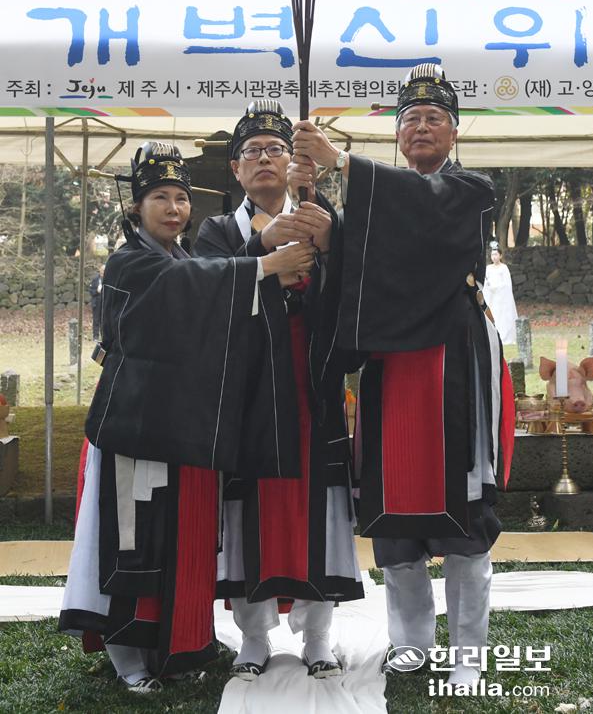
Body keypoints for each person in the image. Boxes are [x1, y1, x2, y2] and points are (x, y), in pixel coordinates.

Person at [289, 64, 515, 690]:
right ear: (397, 134)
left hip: (454, 361)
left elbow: (425, 213)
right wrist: (328, 230)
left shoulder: (471, 190)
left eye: (434, 118)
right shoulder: (373, 203)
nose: (420, 127)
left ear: (454, 132)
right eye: (410, 118)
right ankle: (411, 644)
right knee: (393, 512)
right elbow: (360, 263)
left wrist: (341, 162)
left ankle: (468, 653)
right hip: (392, 364)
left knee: (463, 514)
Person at [59, 142, 313, 694]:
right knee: (134, 541)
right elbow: (189, 290)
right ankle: (128, 654)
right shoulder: (130, 263)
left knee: (184, 538)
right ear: (136, 207)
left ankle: (176, 646)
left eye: (180, 198)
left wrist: (263, 262)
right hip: (136, 425)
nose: (173, 208)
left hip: (184, 425)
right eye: (160, 198)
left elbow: (208, 286)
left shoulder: (183, 259)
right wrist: (263, 265)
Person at [194, 100, 363, 681]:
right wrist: (261, 253)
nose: (264, 159)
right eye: (252, 152)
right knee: (249, 504)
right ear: (235, 169)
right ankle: (253, 635)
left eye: (275, 149)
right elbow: (203, 299)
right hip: (249, 388)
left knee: (319, 500)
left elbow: (351, 295)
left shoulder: (319, 215)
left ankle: (318, 635)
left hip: (311, 381)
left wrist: (326, 250)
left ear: (294, 162)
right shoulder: (218, 231)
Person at [483, 242, 518, 345]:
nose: (494, 257)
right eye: (492, 255)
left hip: (501, 297)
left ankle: (504, 336)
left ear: (500, 256)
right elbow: (486, 281)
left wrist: (498, 288)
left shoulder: (504, 268)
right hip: (492, 297)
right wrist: (489, 287)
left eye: (496, 254)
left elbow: (507, 284)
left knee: (502, 316)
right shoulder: (488, 268)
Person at [89, 263, 105, 340]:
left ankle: (104, 336)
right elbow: (91, 291)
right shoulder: (95, 279)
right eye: (102, 270)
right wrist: (97, 291)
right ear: (99, 270)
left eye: (105, 270)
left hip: (105, 303)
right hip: (96, 302)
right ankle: (95, 336)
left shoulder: (109, 279)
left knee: (104, 320)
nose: (103, 271)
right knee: (96, 320)